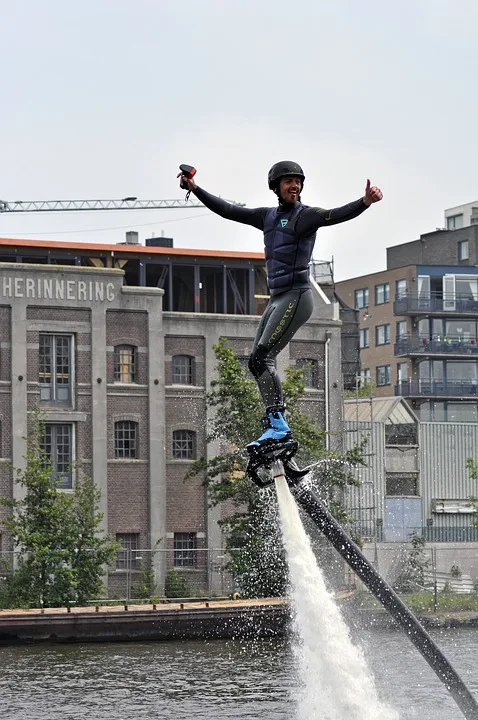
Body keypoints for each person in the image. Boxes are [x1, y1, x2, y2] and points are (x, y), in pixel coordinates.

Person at [178, 161, 383, 451]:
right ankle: (273, 423)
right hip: (276, 300)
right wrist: (195, 189)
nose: (294, 186)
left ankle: (279, 426)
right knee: (255, 362)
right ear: (276, 186)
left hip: (297, 297)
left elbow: (335, 215)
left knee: (262, 357)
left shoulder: (306, 216)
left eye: (298, 182)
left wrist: (365, 202)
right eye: (288, 182)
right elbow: (229, 210)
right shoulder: (268, 217)